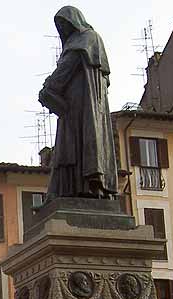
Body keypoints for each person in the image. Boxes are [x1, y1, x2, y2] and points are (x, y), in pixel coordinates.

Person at [38, 6, 118, 201]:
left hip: (82, 103)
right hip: (76, 103)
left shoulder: (87, 38)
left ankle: (87, 187)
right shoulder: (82, 41)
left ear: (75, 21)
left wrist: (48, 87)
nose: (64, 30)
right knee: (71, 145)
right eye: (60, 27)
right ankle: (71, 190)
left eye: (65, 24)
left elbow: (66, 68)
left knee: (77, 143)